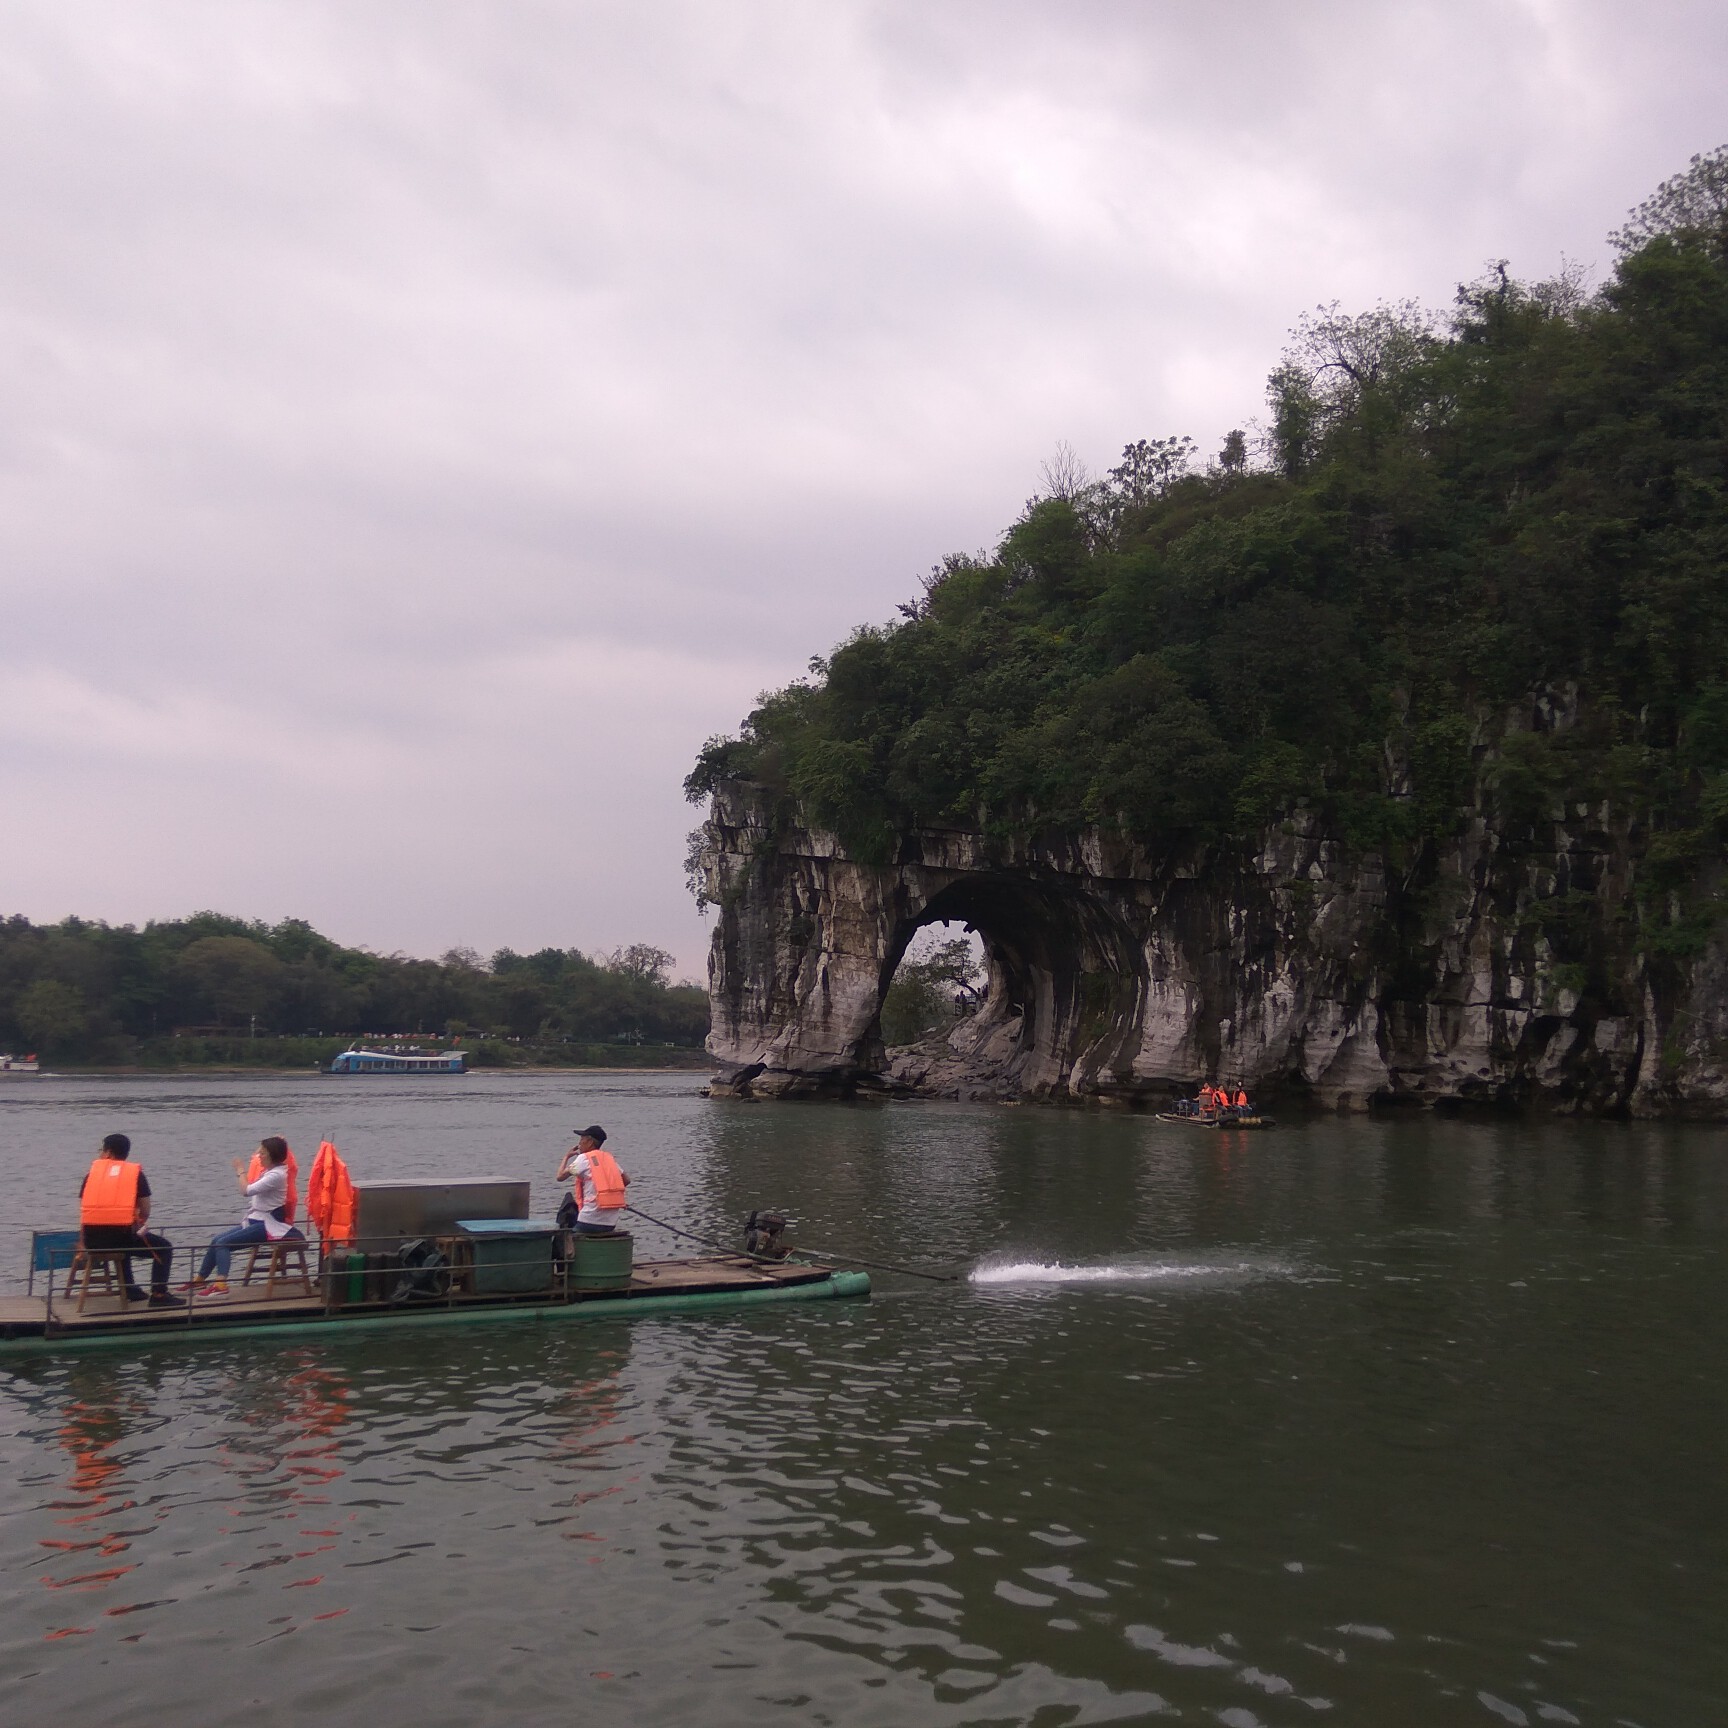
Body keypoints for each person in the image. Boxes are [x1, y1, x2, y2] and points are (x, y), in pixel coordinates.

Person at [188, 1136, 305, 1298]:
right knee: (216, 1240)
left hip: (268, 1224)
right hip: (256, 1220)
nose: (259, 1156)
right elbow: (261, 1152)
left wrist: (240, 1170)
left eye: (263, 1154)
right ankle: (200, 1279)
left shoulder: (276, 1175)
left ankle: (221, 1285)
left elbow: (246, 1191)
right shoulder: (270, 1170)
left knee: (223, 1243)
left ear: (272, 1156)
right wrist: (272, 1142)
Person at [78, 1133, 184, 1308]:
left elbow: (83, 1210)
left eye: (101, 1150)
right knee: (164, 1248)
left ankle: (129, 1290)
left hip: (92, 1241)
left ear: (109, 1153)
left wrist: (84, 1241)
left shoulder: (91, 1176)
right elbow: (146, 1210)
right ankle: (158, 1294)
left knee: (122, 1238)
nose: (100, 1154)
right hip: (122, 1239)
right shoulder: (135, 1175)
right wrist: (135, 1221)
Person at [555, 1125, 630, 1235]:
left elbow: (560, 1177)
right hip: (610, 1223)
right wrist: (611, 1194)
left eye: (581, 1140)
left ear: (590, 1142)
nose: (579, 1144)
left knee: (564, 1236)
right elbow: (626, 1180)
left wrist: (566, 1157)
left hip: (589, 1221)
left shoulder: (584, 1158)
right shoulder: (608, 1159)